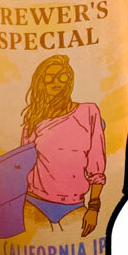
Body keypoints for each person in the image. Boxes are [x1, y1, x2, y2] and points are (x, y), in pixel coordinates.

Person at [20, 54, 106, 236]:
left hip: (74, 205)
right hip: (34, 203)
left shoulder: (89, 112)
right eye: (49, 77)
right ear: (41, 82)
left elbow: (96, 163)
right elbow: (22, 166)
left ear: (69, 79)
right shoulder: (33, 121)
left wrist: (94, 207)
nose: (56, 82)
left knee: (88, 249)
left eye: (62, 76)